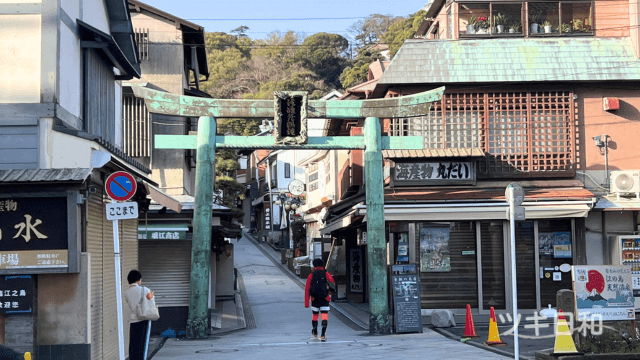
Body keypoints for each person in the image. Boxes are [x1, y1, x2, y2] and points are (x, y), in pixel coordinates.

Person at [124, 270, 155, 360]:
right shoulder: (146, 290)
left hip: (133, 320)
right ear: (138, 280)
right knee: (143, 345)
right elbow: (152, 303)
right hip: (144, 320)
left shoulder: (126, 292)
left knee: (133, 344)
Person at [304, 258, 335, 342]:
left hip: (315, 299)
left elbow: (307, 288)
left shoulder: (311, 275)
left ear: (314, 265)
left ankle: (315, 332)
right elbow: (333, 284)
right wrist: (329, 293)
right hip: (325, 298)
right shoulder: (326, 273)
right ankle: (323, 335)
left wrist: (307, 302)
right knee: (324, 316)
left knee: (315, 315)